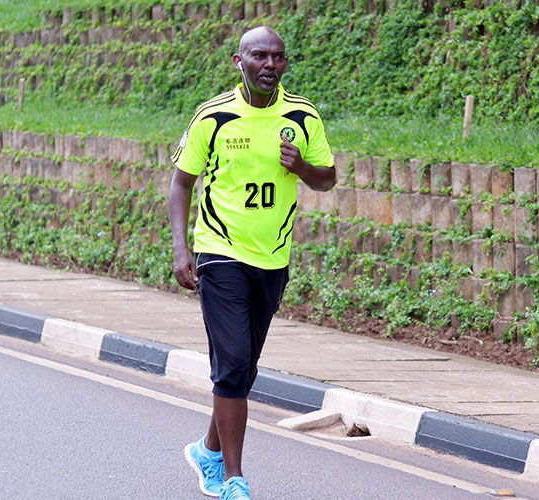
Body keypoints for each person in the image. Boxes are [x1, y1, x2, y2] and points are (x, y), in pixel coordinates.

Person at [168, 26, 336, 500]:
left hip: (272, 258)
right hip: (220, 253)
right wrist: (182, 249)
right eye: (259, 56)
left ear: (285, 64)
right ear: (237, 61)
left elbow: (328, 179)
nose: (269, 64)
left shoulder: (301, 116)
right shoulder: (214, 116)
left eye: (277, 57)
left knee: (243, 368)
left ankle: (206, 449)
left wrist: (301, 167)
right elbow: (182, 183)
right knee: (234, 361)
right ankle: (233, 479)